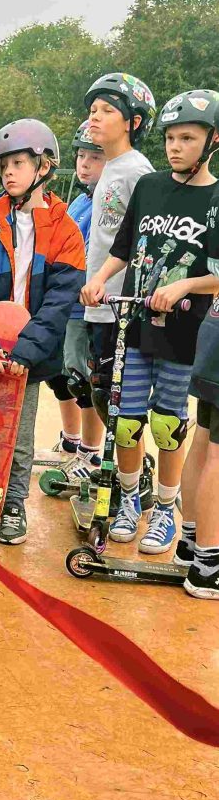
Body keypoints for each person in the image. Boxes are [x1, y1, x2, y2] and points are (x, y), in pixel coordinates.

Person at [82, 89, 219, 553]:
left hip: (185, 334)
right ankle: (128, 502)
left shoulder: (217, 199)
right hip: (135, 326)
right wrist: (99, 279)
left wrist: (184, 286)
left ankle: (165, 510)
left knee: (168, 424)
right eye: (170, 138)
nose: (175, 147)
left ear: (212, 141)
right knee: (125, 422)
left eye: (187, 138)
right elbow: (123, 248)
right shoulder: (150, 186)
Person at [0, 119, 85, 543]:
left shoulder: (66, 231)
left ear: (43, 166)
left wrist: (25, 353)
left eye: (17, 163)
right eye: (2, 166)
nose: (8, 172)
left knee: (19, 431)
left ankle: (12, 504)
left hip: (27, 353)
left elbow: (59, 303)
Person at [80, 72, 155, 504]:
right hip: (98, 302)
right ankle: (130, 472)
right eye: (93, 110)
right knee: (101, 388)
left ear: (133, 122)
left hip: (121, 306)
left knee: (119, 397)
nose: (96, 117)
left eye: (108, 110)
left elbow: (137, 241)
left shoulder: (136, 171)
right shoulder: (110, 169)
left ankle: (136, 479)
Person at [38, 122, 106, 478]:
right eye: (81, 155)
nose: (84, 164)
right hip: (62, 302)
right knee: (59, 377)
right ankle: (70, 439)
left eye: (95, 157)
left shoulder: (109, 205)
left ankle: (91, 452)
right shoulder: (79, 201)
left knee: (83, 379)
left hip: (86, 308)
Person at [180, 103, 219, 596]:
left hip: (212, 331)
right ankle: (209, 562)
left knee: (203, 439)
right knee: (217, 452)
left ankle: (191, 539)